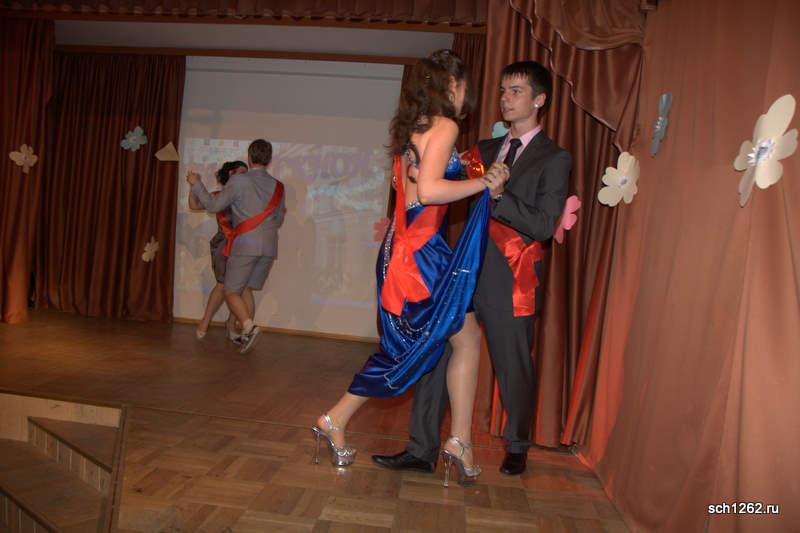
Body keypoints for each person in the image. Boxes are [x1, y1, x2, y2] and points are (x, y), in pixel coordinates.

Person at [311, 49, 509, 487]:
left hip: (406, 247)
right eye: (463, 84)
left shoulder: (415, 127)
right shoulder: (444, 126)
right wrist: (483, 183)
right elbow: (431, 191)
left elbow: (416, 190)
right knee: (446, 344)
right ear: (451, 85)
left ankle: (344, 420)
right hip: (419, 253)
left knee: (436, 343)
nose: (466, 92)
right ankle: (456, 441)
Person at [372, 61, 572, 476]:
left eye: (516, 91)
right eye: (502, 90)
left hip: (510, 275)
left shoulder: (554, 158)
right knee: (437, 350)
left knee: (512, 362)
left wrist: (499, 196)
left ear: (539, 99)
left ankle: (516, 445)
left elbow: (543, 225)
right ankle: (421, 448)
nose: (505, 99)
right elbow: (439, 185)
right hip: (461, 266)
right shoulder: (482, 149)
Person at [187, 140, 286, 354]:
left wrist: (196, 183)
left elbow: (213, 205)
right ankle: (242, 333)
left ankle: (249, 328)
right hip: (269, 247)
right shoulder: (278, 186)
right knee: (247, 288)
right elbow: (278, 220)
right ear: (269, 159)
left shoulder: (239, 181)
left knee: (231, 291)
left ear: (249, 158)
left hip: (246, 245)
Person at [188, 160, 250, 342]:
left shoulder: (248, 198)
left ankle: (231, 325)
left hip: (244, 246)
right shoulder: (218, 196)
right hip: (223, 245)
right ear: (230, 174)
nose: (245, 177)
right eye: (242, 172)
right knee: (223, 286)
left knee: (241, 288)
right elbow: (194, 205)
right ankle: (205, 323)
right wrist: (193, 185)